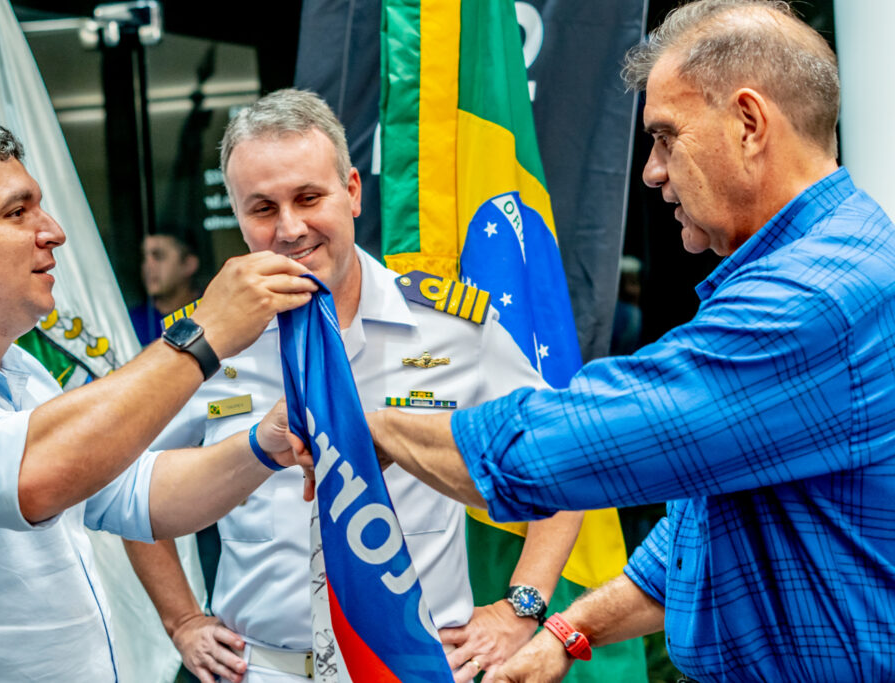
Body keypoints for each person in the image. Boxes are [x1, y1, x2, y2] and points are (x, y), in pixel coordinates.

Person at [365, 1, 895, 681]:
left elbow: (562, 449)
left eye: (666, 136)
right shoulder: (827, 258)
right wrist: (567, 630)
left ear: (749, 124)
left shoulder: (812, 300)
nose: (651, 170)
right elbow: (708, 519)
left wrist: (370, 425)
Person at [123, 89, 584, 683]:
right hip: (264, 670)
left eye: (309, 197)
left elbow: (564, 456)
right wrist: (182, 619)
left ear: (353, 192)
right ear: (237, 216)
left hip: (414, 668)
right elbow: (123, 478)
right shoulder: (202, 342)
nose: (289, 229)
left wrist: (523, 608)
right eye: (262, 208)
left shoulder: (452, 327)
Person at [0, 121, 319, 680]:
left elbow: (139, 495)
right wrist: (204, 334)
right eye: (18, 213)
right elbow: (30, 478)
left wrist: (264, 445)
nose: (53, 232)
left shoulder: (21, 371)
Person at [130, 232, 201, 345]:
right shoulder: (130, 323)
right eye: (143, 257)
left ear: (189, 264)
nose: (147, 266)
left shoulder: (210, 311)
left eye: (158, 256)